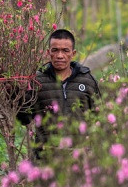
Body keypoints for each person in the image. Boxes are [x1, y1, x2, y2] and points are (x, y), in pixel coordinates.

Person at [18, 29, 101, 159]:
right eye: (55, 50)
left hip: (80, 158)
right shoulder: (36, 81)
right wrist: (14, 94)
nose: (60, 55)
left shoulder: (87, 81)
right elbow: (25, 119)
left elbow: (99, 118)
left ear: (73, 53)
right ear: (48, 52)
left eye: (65, 51)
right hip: (46, 158)